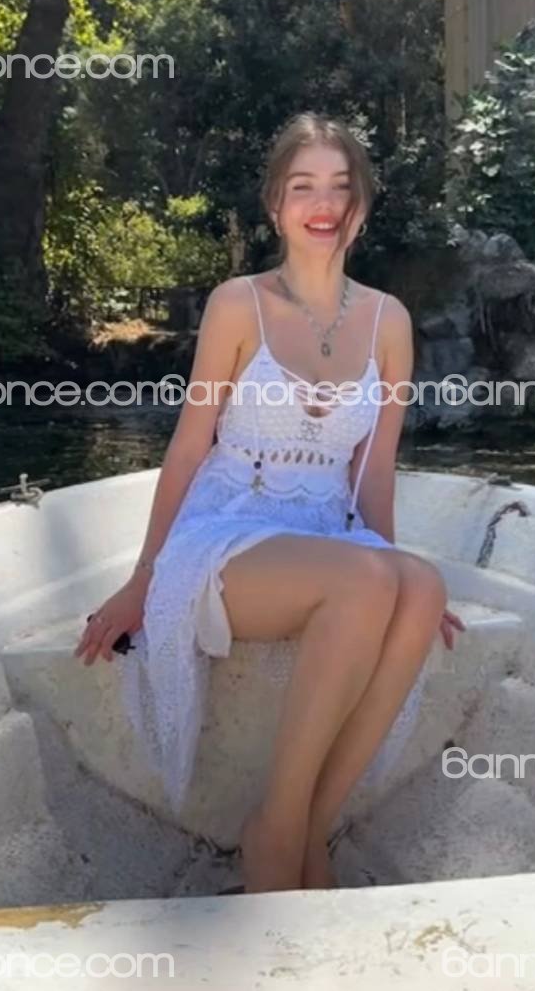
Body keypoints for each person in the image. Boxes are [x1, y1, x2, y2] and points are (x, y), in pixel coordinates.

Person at [73, 112, 462, 893]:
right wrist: (144, 579)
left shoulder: (388, 321)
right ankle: (278, 832)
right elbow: (189, 446)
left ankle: (307, 827)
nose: (323, 205)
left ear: (361, 206)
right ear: (276, 204)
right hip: (226, 533)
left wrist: (398, 571)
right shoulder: (237, 304)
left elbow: (373, 470)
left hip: (328, 538)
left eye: (340, 187)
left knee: (419, 587)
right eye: (303, 186)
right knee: (366, 581)